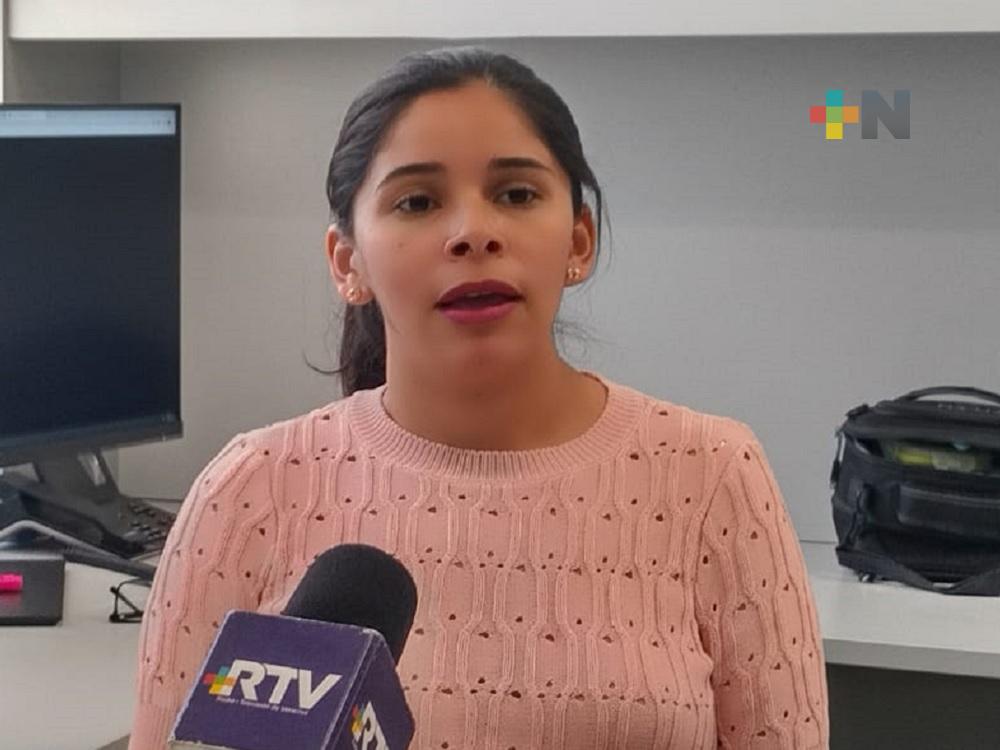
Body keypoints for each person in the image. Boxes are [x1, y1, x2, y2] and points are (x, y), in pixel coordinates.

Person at [128, 45, 829, 749]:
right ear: (348, 262)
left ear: (579, 241)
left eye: (517, 194)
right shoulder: (249, 493)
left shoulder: (713, 477)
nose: (473, 233)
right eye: (417, 202)